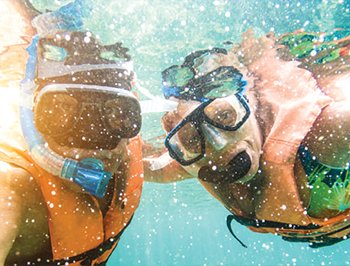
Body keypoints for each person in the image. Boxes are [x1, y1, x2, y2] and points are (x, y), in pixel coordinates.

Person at [144, 29, 350, 248]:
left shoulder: (325, 134)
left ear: (250, 105)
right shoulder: (199, 160)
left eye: (224, 115)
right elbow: (145, 166)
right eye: (193, 138)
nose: (218, 145)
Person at [0, 1, 143, 265]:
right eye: (60, 114)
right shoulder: (11, 185)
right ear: (32, 117)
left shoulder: (128, 154)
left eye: (116, 115)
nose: (90, 144)